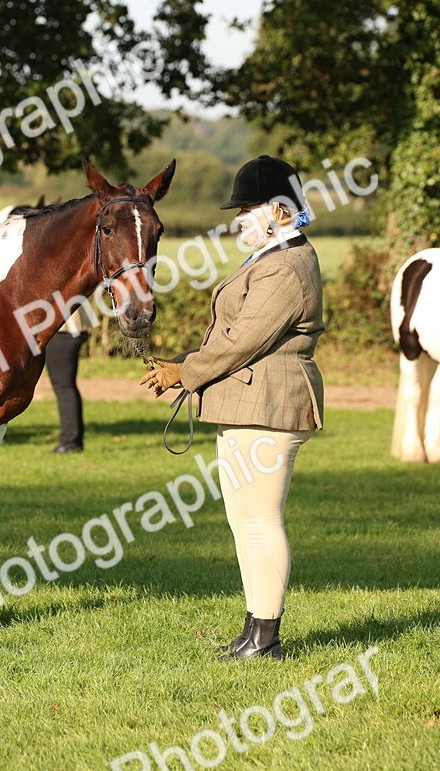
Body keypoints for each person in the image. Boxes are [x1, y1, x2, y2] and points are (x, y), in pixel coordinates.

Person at [140, 154, 324, 660]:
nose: (240, 217)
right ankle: (255, 628)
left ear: (282, 211)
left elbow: (244, 340)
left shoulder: (286, 265)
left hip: (269, 403)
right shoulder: (268, 257)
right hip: (248, 401)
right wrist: (182, 362)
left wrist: (186, 373)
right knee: (244, 520)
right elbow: (233, 337)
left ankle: (266, 638)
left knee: (261, 518)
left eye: (249, 207)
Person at [45, 301, 98, 454]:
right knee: (66, 386)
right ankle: (72, 440)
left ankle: (70, 441)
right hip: (73, 326)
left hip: (63, 330)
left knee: (63, 386)